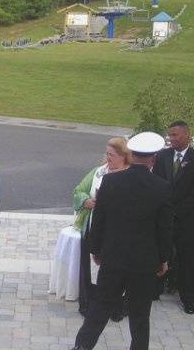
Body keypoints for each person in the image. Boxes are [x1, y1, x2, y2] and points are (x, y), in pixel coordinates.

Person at [71, 132, 173, 350]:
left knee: (99, 310)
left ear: (132, 155)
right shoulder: (162, 188)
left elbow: (99, 220)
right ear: (153, 159)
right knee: (139, 317)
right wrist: (164, 259)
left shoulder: (110, 181)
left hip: (113, 258)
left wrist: (96, 250)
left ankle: (81, 347)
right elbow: (164, 229)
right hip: (144, 264)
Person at [73, 137, 131, 319]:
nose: (108, 158)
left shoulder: (129, 175)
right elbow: (79, 190)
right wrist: (86, 201)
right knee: (90, 268)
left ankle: (116, 306)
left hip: (116, 233)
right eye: (106, 154)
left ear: (123, 156)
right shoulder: (98, 172)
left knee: (114, 272)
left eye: (112, 155)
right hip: (93, 227)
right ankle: (88, 303)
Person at [152, 120, 194, 313]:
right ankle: (154, 290)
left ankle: (188, 298)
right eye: (169, 135)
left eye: (175, 135)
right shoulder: (162, 156)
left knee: (187, 259)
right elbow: (157, 183)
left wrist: (181, 210)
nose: (171, 139)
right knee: (161, 252)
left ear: (187, 135)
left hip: (187, 220)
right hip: (164, 217)